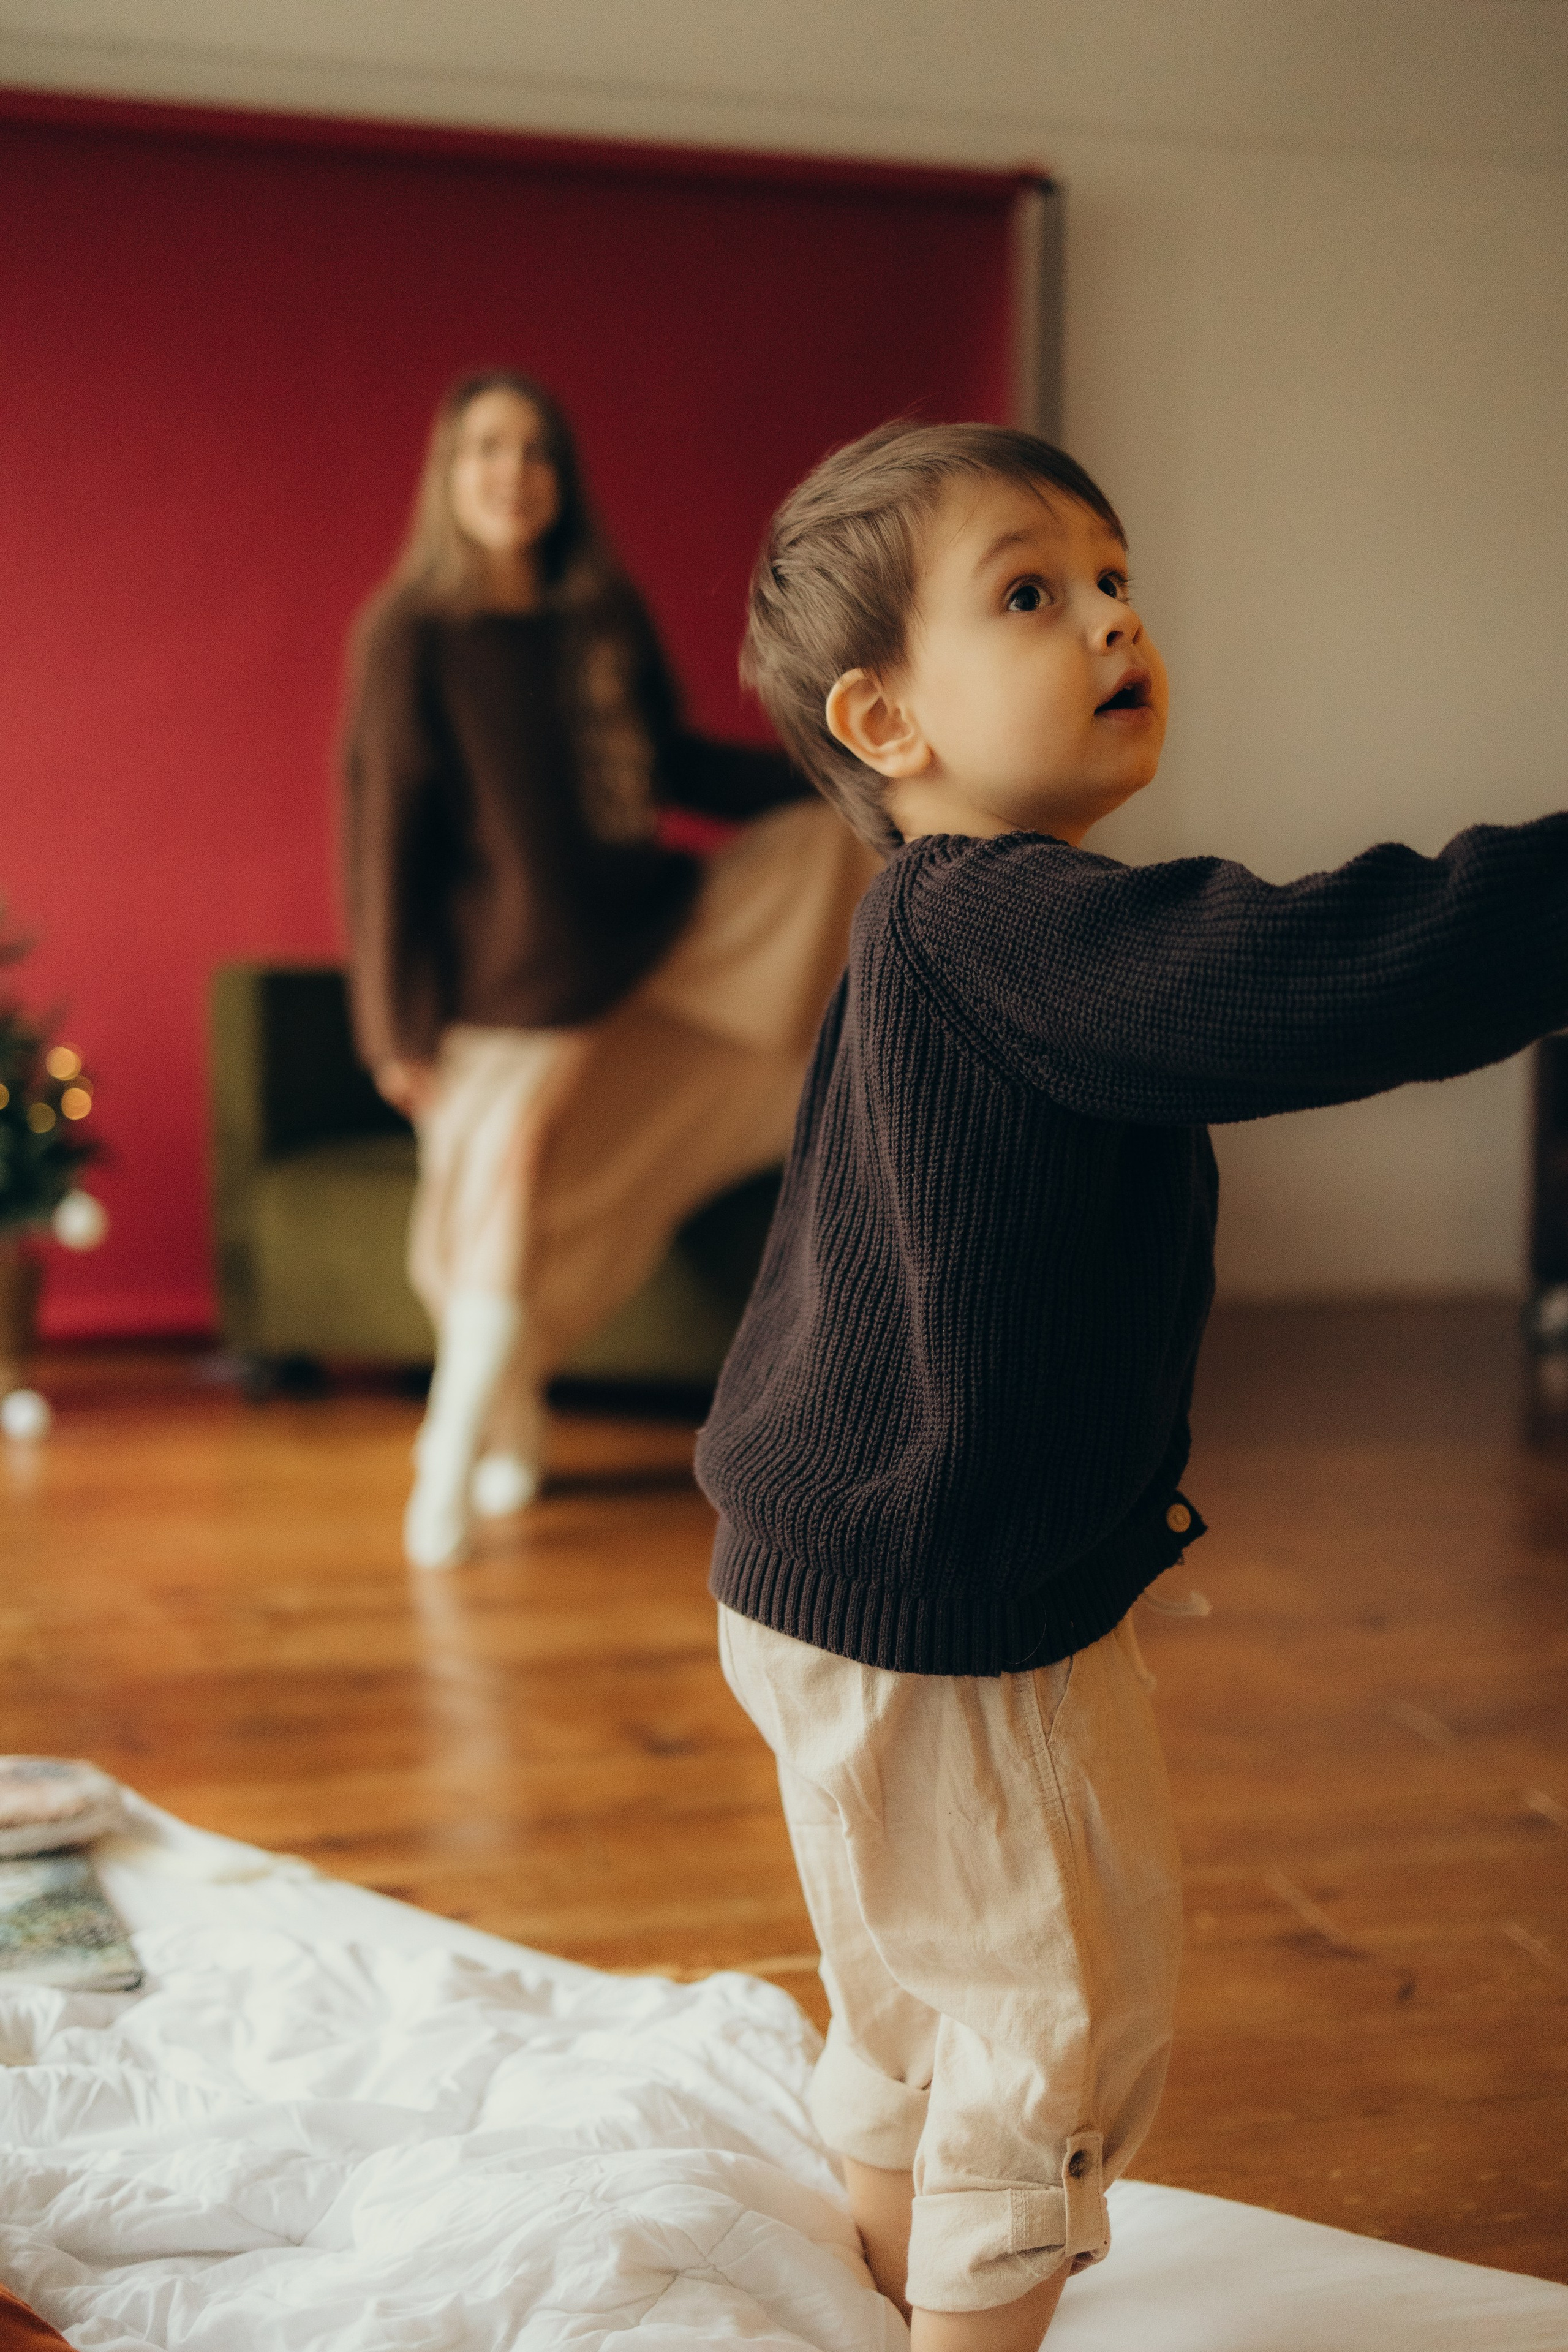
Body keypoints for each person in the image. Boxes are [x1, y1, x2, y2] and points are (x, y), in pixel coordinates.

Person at [693, 419, 1568, 2348]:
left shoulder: (935, 931)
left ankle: (875, 2283)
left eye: (1115, 582)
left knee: (912, 1988)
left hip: (819, 1578)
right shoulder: (1003, 917)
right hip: (957, 1617)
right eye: (1030, 593)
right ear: (886, 719)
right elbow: (1327, 969)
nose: (1110, 620)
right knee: (1054, 2022)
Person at [342, 371, 878, 1570]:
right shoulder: (410, 633)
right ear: (449, 473)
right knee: (502, 1206)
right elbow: (383, 832)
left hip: (641, 940)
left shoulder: (602, 614)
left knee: (528, 1173)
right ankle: (503, 1413)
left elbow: (673, 763)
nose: (513, 471)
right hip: (504, 988)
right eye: (488, 447)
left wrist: (835, 772)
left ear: (561, 477)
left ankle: (449, 1448)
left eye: (535, 450)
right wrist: (391, 1025)